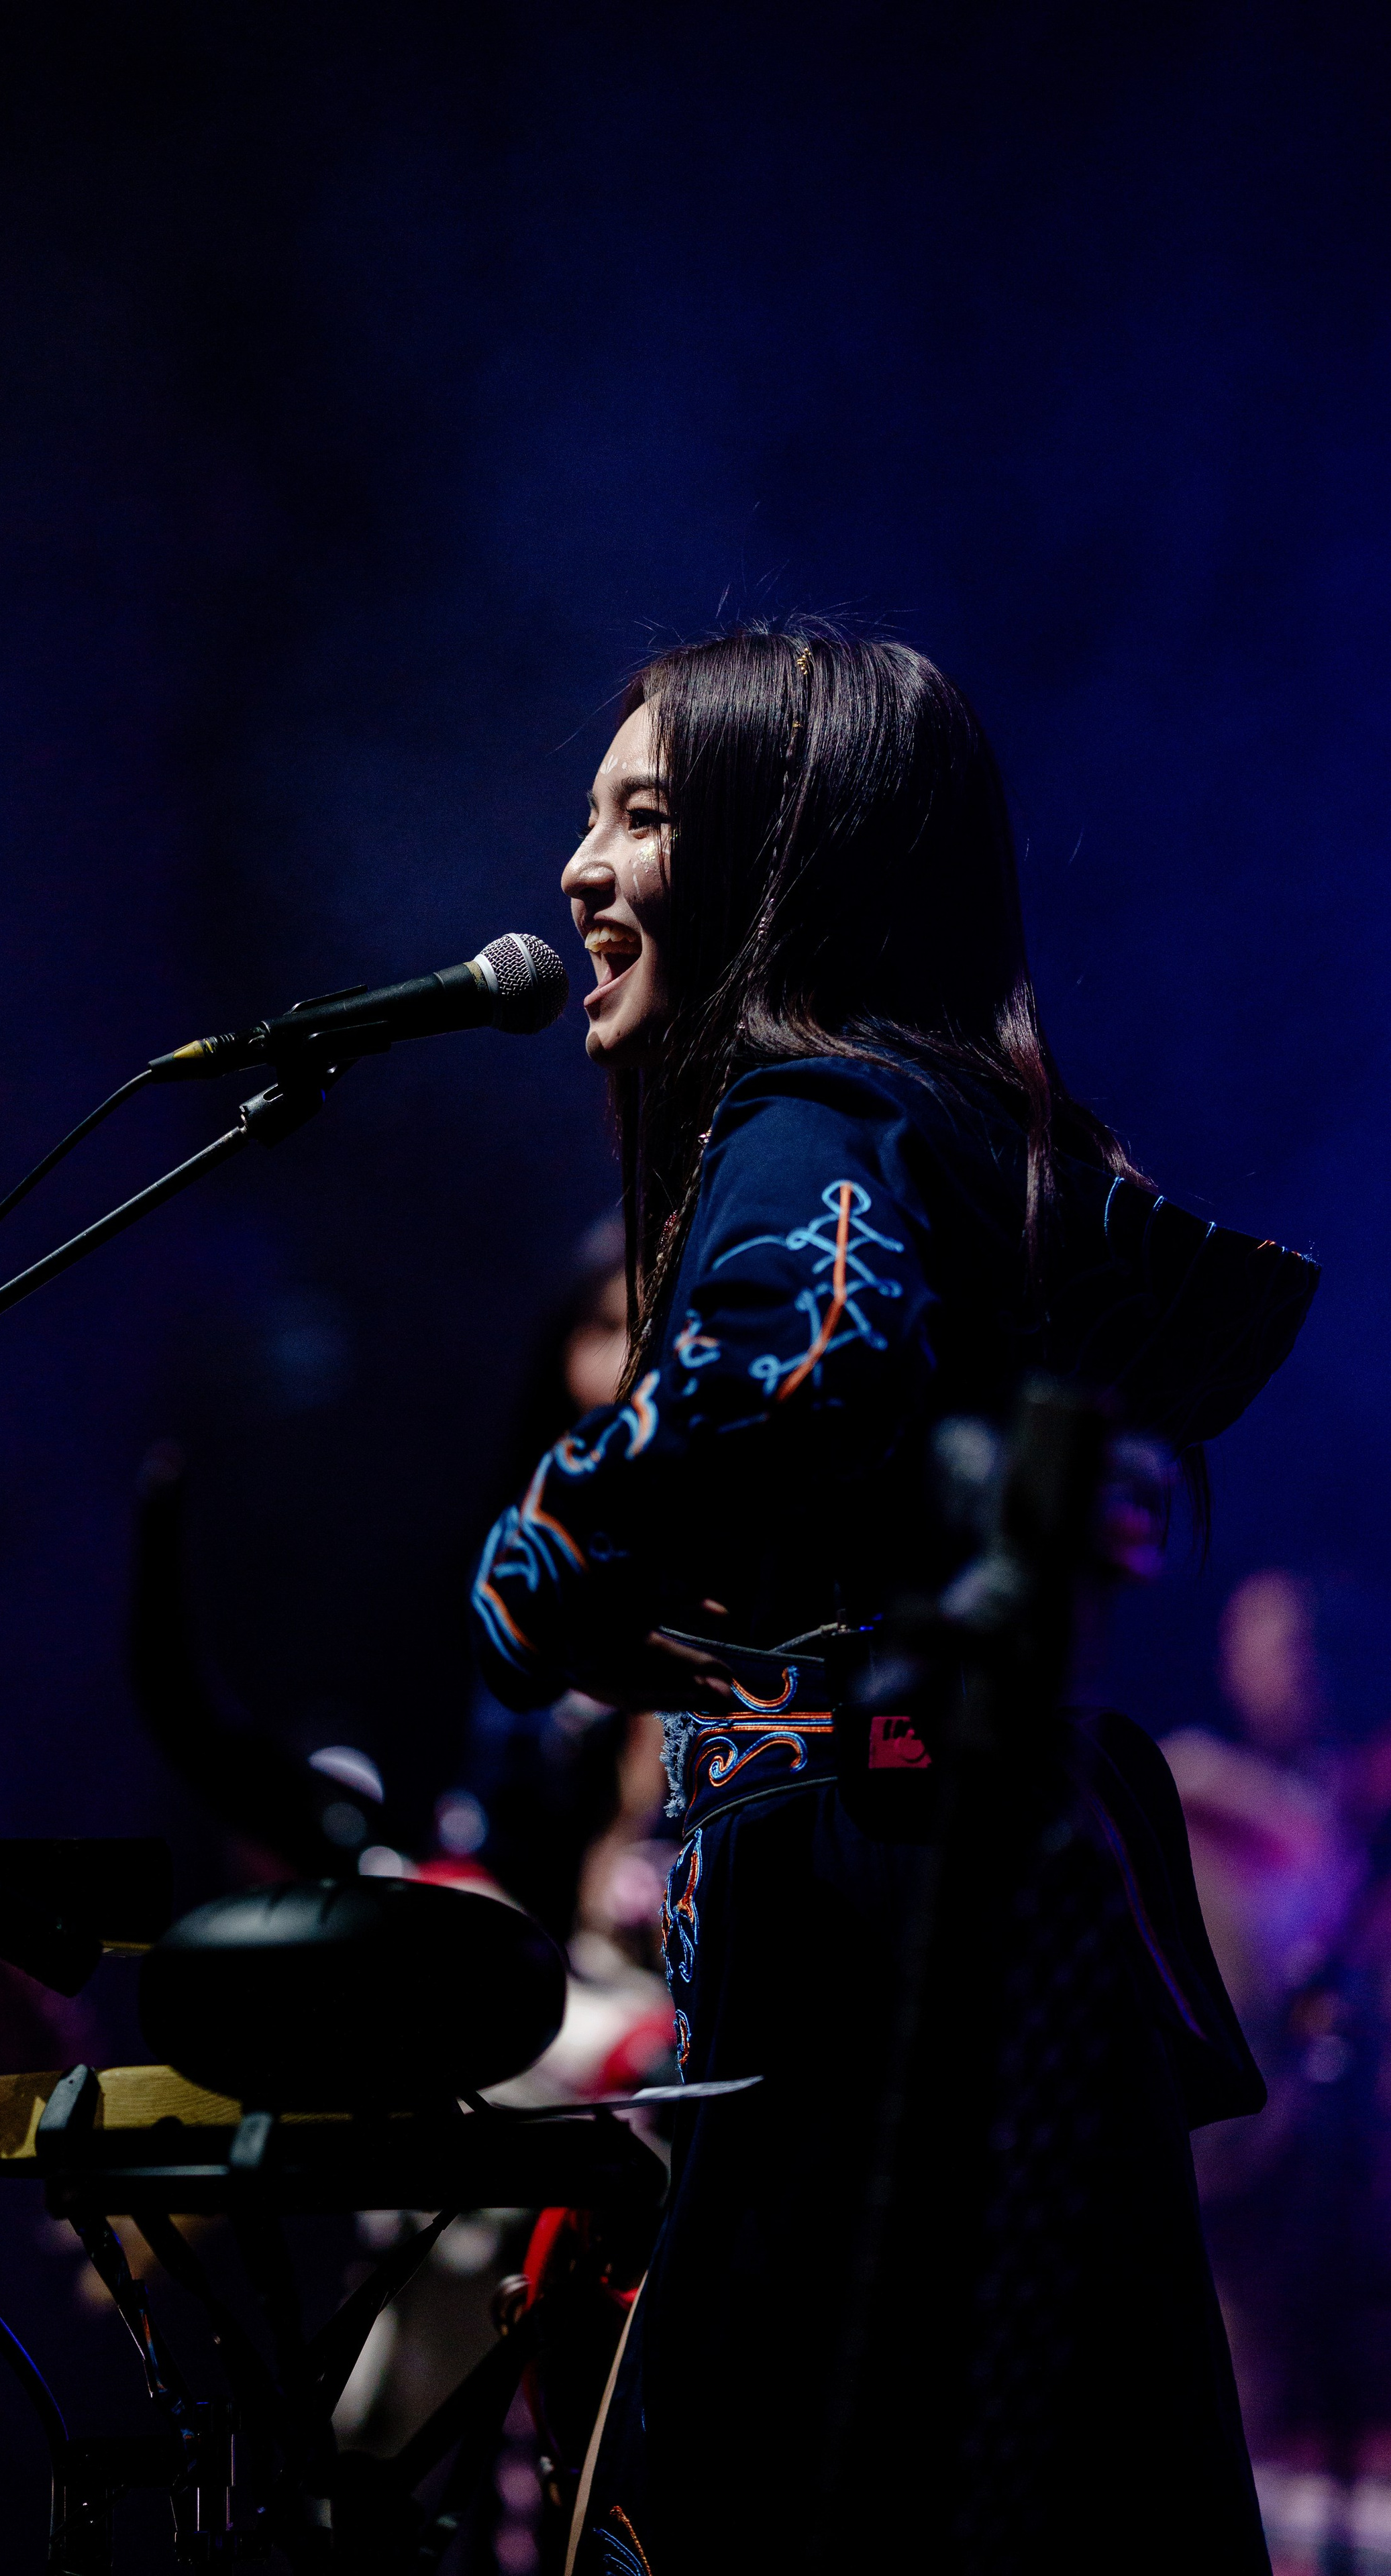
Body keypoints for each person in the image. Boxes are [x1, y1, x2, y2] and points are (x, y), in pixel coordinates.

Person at [469, 627, 1319, 2574]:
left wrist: (553, 1549)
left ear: (790, 846)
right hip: (970, 1880)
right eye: (591, 818)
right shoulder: (956, 1121)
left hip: (874, 1915)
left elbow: (800, 1354)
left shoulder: (812, 1113)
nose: (581, 871)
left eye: (643, 817)